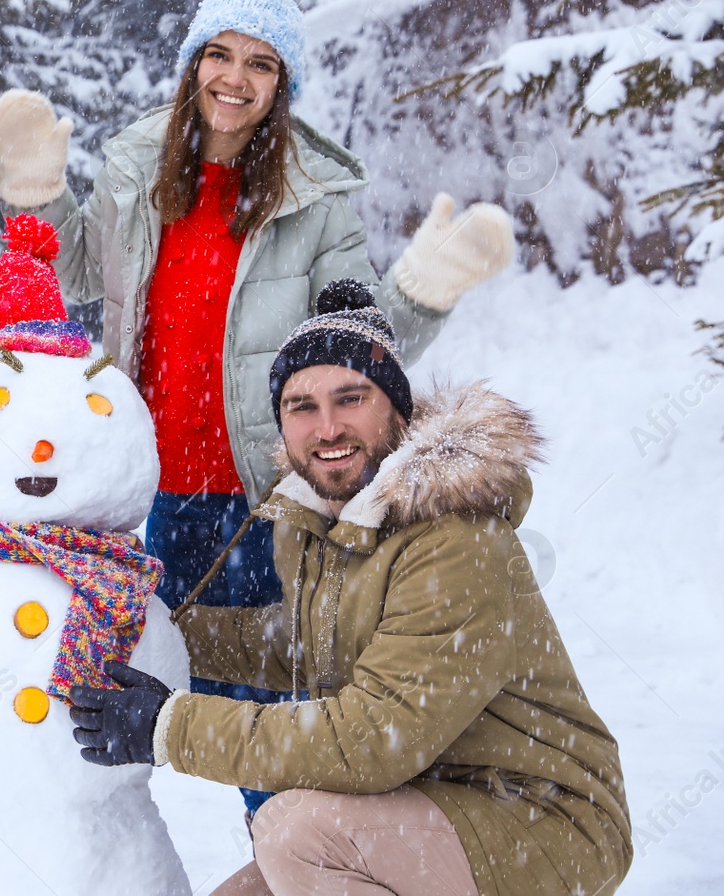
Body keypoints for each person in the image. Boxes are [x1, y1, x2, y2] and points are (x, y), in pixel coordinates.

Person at [0, 0, 514, 814]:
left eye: (260, 63)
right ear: (195, 61)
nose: (235, 78)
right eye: (220, 54)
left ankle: (293, 858)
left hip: (266, 500)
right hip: (153, 492)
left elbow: (361, 337)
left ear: (282, 84)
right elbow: (77, 268)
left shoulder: (312, 200)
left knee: (276, 716)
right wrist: (37, 190)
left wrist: (426, 286)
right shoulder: (137, 170)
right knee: (124, 696)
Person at [68, 279, 632, 896]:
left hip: (542, 819)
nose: (327, 426)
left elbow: (370, 739)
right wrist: (143, 628)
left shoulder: (456, 540)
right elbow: (293, 645)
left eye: (351, 398)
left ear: (397, 408)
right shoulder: (325, 521)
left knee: (293, 831)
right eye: (302, 406)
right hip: (426, 802)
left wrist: (166, 728)